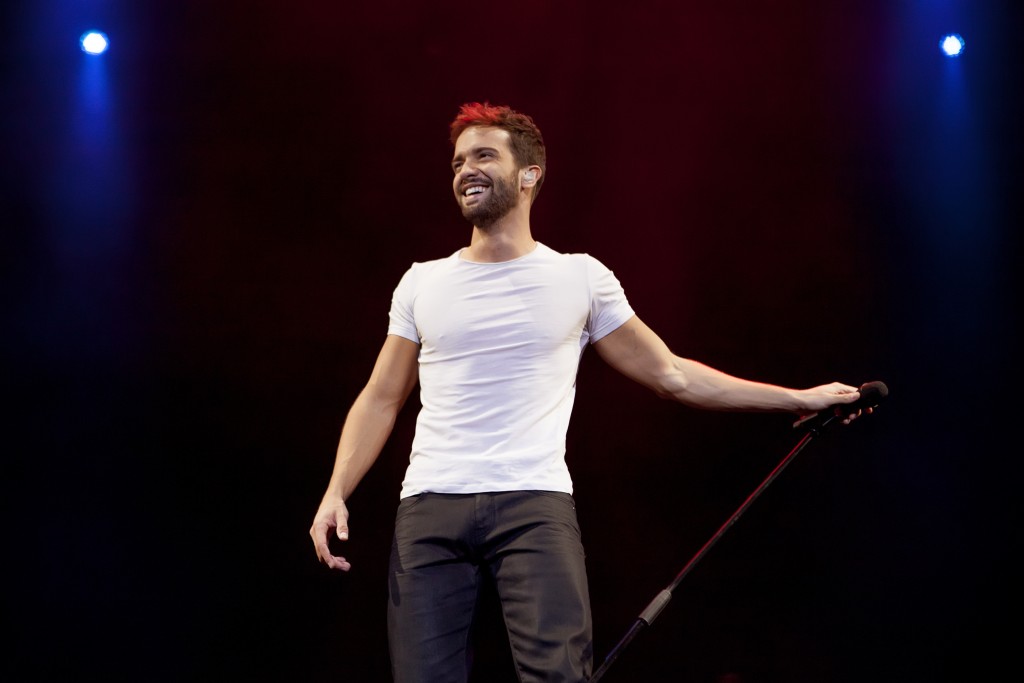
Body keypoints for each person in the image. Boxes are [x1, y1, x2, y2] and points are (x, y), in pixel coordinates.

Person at [310, 101, 867, 683]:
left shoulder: (579, 277)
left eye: (484, 156)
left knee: (558, 675)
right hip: (430, 506)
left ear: (529, 174)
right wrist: (335, 491)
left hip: (533, 505)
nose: (465, 170)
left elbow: (672, 375)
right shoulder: (422, 280)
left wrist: (798, 398)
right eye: (457, 162)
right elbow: (381, 396)